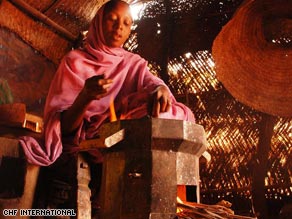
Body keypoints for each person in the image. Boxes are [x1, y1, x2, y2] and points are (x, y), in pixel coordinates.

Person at [19, 0, 196, 214]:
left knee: (170, 111)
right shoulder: (75, 62)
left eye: (127, 23)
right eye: (112, 19)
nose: (119, 27)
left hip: (127, 134)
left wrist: (160, 90)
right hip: (95, 137)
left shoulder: (133, 63)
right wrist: (85, 96)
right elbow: (64, 131)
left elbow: (152, 83)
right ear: (98, 22)